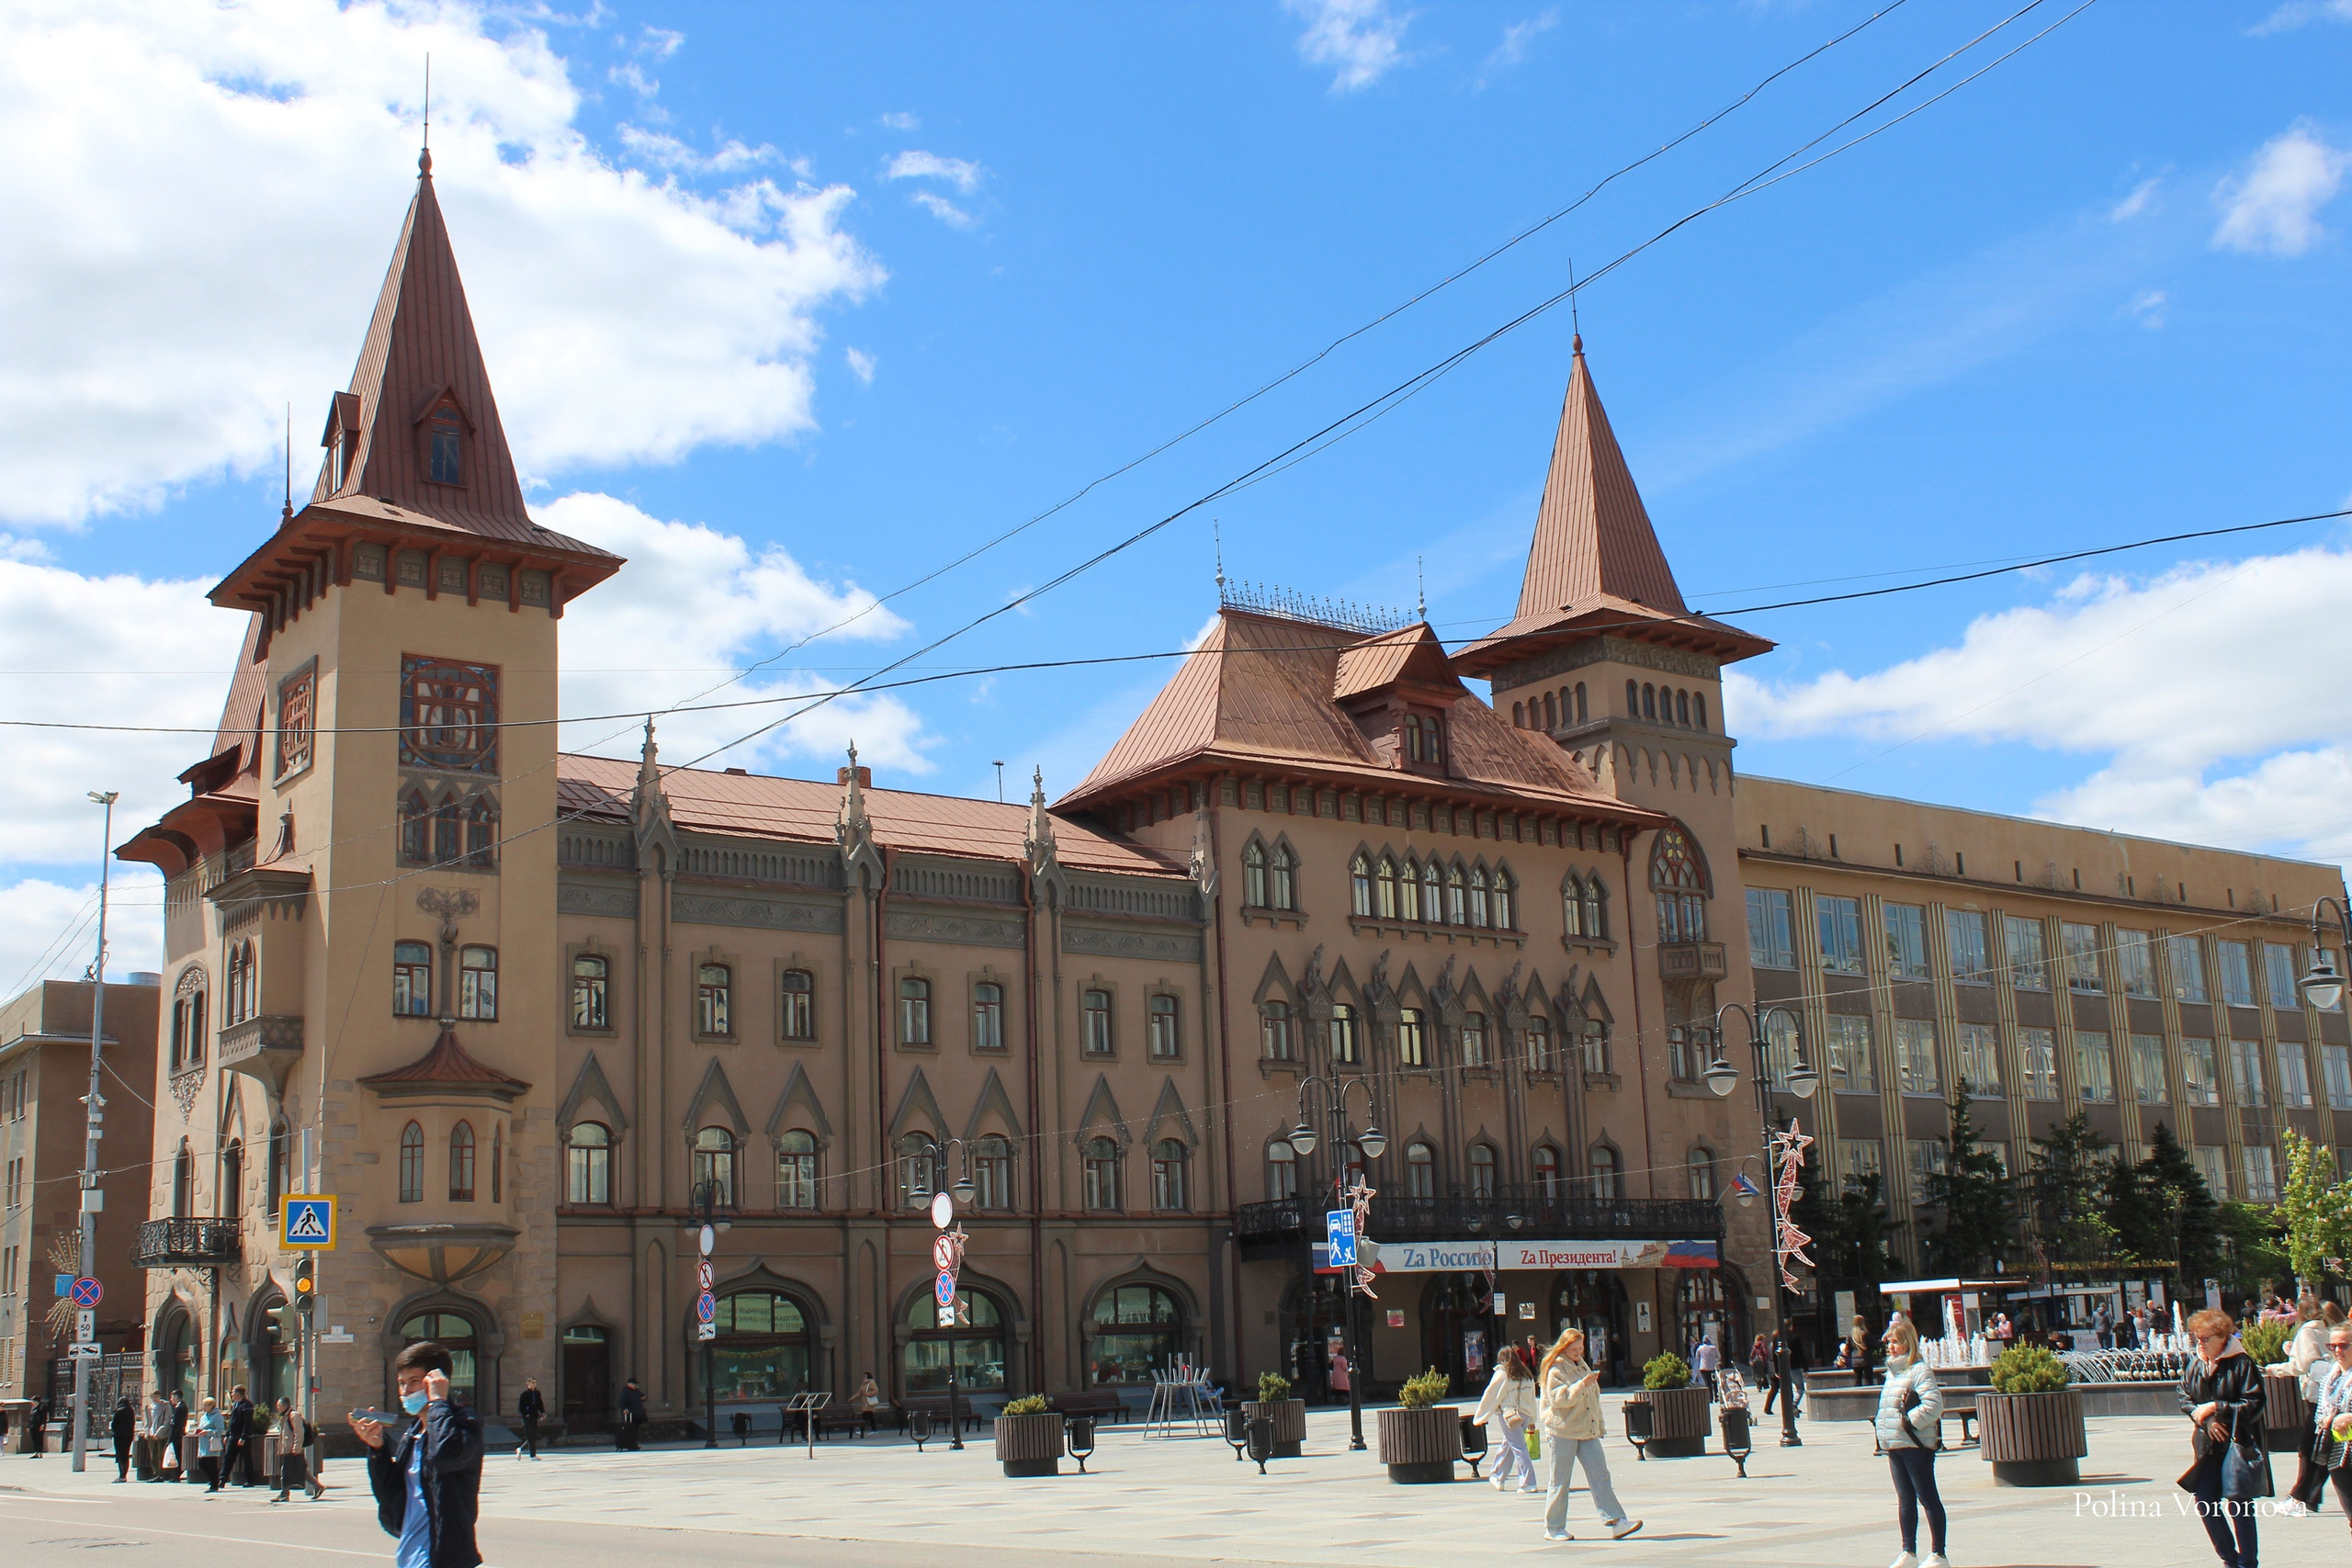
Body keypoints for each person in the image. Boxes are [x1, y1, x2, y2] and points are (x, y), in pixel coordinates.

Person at [351, 1339, 482, 1568]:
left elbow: (446, 1454)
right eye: (401, 1383)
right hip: (409, 1557)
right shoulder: (412, 1434)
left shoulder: (464, 1424)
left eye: (414, 1382)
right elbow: (390, 1496)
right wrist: (377, 1449)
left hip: (444, 1558)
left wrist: (438, 1401)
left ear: (436, 1381)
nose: (405, 1391)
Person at [2179, 1305, 2267, 1568]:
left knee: (2239, 1503)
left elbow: (2255, 1402)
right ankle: (2229, 1559)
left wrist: (2218, 1408)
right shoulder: (2196, 1363)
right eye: (2197, 1338)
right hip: (2208, 1445)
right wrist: (2206, 1419)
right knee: (2204, 1500)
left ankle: (2248, 1562)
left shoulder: (2242, 1363)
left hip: (2237, 1443)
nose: (2200, 1343)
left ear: (2223, 1337)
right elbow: (2184, 1396)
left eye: (2206, 1338)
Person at [1535, 1325, 1641, 1543]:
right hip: (1562, 1431)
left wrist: (1598, 1424)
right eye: (1574, 1348)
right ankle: (1554, 1527)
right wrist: (1581, 1385)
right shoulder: (1555, 1369)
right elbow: (1558, 1400)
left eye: (1580, 1347)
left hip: (1586, 1430)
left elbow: (1592, 1399)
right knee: (1560, 1480)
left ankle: (1617, 1521)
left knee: (1600, 1474)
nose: (1578, 1352)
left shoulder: (1581, 1365)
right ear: (1564, 1347)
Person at [1875, 1313, 1947, 1568]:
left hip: (1916, 1446)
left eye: (1895, 1342)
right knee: (1905, 1501)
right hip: (1895, 1446)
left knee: (1927, 1497)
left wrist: (1909, 1423)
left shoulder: (1919, 1370)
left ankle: (1938, 1554)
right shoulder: (1892, 1373)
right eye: (1888, 1343)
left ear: (1908, 1342)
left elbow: (1934, 1405)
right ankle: (1909, 1551)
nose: (1891, 1347)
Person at [2269, 1295, 2330, 1515]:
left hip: (2315, 1396)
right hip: (2328, 1394)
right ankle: (2309, 1497)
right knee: (2322, 1447)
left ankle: (2298, 1496)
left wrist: (2274, 1369)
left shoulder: (2305, 1332)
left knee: (2307, 1447)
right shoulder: (2326, 1328)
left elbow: (2301, 1366)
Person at [1473, 1344, 1539, 1495]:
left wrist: (1481, 1416)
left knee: (1518, 1447)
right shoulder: (1527, 1375)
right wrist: (1533, 1420)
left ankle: (1528, 1482)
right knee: (1508, 1444)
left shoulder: (1502, 1375)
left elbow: (1490, 1395)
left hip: (1509, 1415)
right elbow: (1532, 1399)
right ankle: (1498, 1475)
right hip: (1525, 1414)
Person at [2307, 1319, 2352, 1536]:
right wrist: (2326, 1421)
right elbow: (2318, 1416)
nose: (2337, 1350)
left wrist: (2350, 1417)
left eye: (2344, 1345)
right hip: (2337, 1455)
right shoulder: (2329, 1379)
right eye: (2332, 1346)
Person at [274, 1398, 320, 1502]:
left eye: (278, 1405)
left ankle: (284, 1494)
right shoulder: (285, 1417)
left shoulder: (293, 1415)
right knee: (301, 1470)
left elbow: (299, 1433)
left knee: (285, 1471)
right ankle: (318, 1486)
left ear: (285, 1406)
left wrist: (296, 1448)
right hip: (287, 1448)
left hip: (291, 1449)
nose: (277, 1408)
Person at [223, 1384, 255, 1488]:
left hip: (243, 1437)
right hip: (233, 1436)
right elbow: (232, 1421)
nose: (231, 1394)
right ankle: (222, 1480)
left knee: (246, 1459)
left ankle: (249, 1480)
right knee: (228, 1458)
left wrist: (244, 1437)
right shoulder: (236, 1405)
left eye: (233, 1392)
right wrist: (227, 1434)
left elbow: (248, 1423)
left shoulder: (247, 1405)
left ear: (238, 1393)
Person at [195, 1395, 225, 1493]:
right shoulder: (204, 1416)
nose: (203, 1407)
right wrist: (199, 1431)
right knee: (202, 1464)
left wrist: (208, 1432)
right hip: (203, 1444)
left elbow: (220, 1431)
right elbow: (201, 1426)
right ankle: (213, 1481)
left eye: (205, 1405)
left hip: (212, 1444)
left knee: (212, 1464)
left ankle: (214, 1484)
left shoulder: (217, 1416)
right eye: (203, 1405)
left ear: (211, 1406)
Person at [515, 1378, 545, 1461]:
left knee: (534, 1435)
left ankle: (521, 1448)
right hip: (528, 1418)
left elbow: (540, 1404)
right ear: (528, 1383)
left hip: (534, 1416)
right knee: (530, 1435)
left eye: (535, 1383)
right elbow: (521, 1407)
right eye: (532, 1383)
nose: (534, 1384)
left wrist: (543, 1412)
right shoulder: (524, 1394)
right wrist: (526, 1414)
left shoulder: (537, 1393)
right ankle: (533, 1455)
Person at [616, 1377, 646, 1451]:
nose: (635, 1386)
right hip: (630, 1415)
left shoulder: (636, 1391)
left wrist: (643, 1398)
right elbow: (621, 1402)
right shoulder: (625, 1391)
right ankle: (631, 1445)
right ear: (629, 1384)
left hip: (637, 1414)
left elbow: (641, 1397)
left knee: (634, 1430)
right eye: (634, 1384)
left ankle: (634, 1444)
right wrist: (624, 1409)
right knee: (630, 1430)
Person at [110, 1395, 135, 1483]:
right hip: (129, 1436)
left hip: (119, 1436)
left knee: (120, 1456)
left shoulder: (118, 1411)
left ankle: (122, 1476)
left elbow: (114, 1425)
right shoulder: (131, 1410)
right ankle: (124, 1475)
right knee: (126, 1455)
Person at [167, 1391, 189, 1479]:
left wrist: (171, 1438)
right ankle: (177, 1474)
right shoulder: (183, 1406)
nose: (171, 1399)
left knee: (178, 1455)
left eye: (172, 1397)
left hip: (177, 1435)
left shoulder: (179, 1408)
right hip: (181, 1433)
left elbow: (176, 1424)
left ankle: (177, 1475)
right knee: (179, 1455)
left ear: (176, 1397)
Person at [1695, 1335, 1721, 1400]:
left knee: (1707, 1383)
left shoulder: (1700, 1348)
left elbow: (1697, 1357)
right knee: (1714, 1382)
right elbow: (1719, 1356)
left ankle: (1710, 1397)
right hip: (1713, 1368)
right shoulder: (1713, 1348)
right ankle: (1716, 1396)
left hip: (1703, 1368)